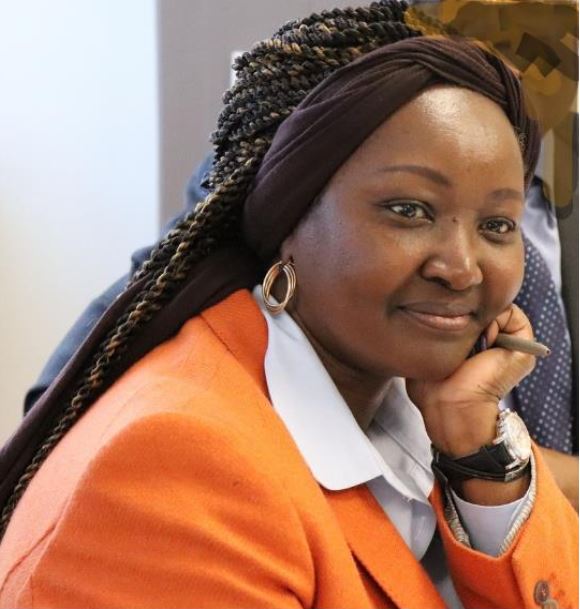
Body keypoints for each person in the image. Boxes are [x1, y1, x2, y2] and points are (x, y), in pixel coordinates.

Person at [0, 3, 577, 608]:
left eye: (496, 225)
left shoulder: (399, 408)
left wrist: (481, 452)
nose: (461, 268)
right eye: (408, 210)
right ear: (289, 219)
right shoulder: (179, 465)